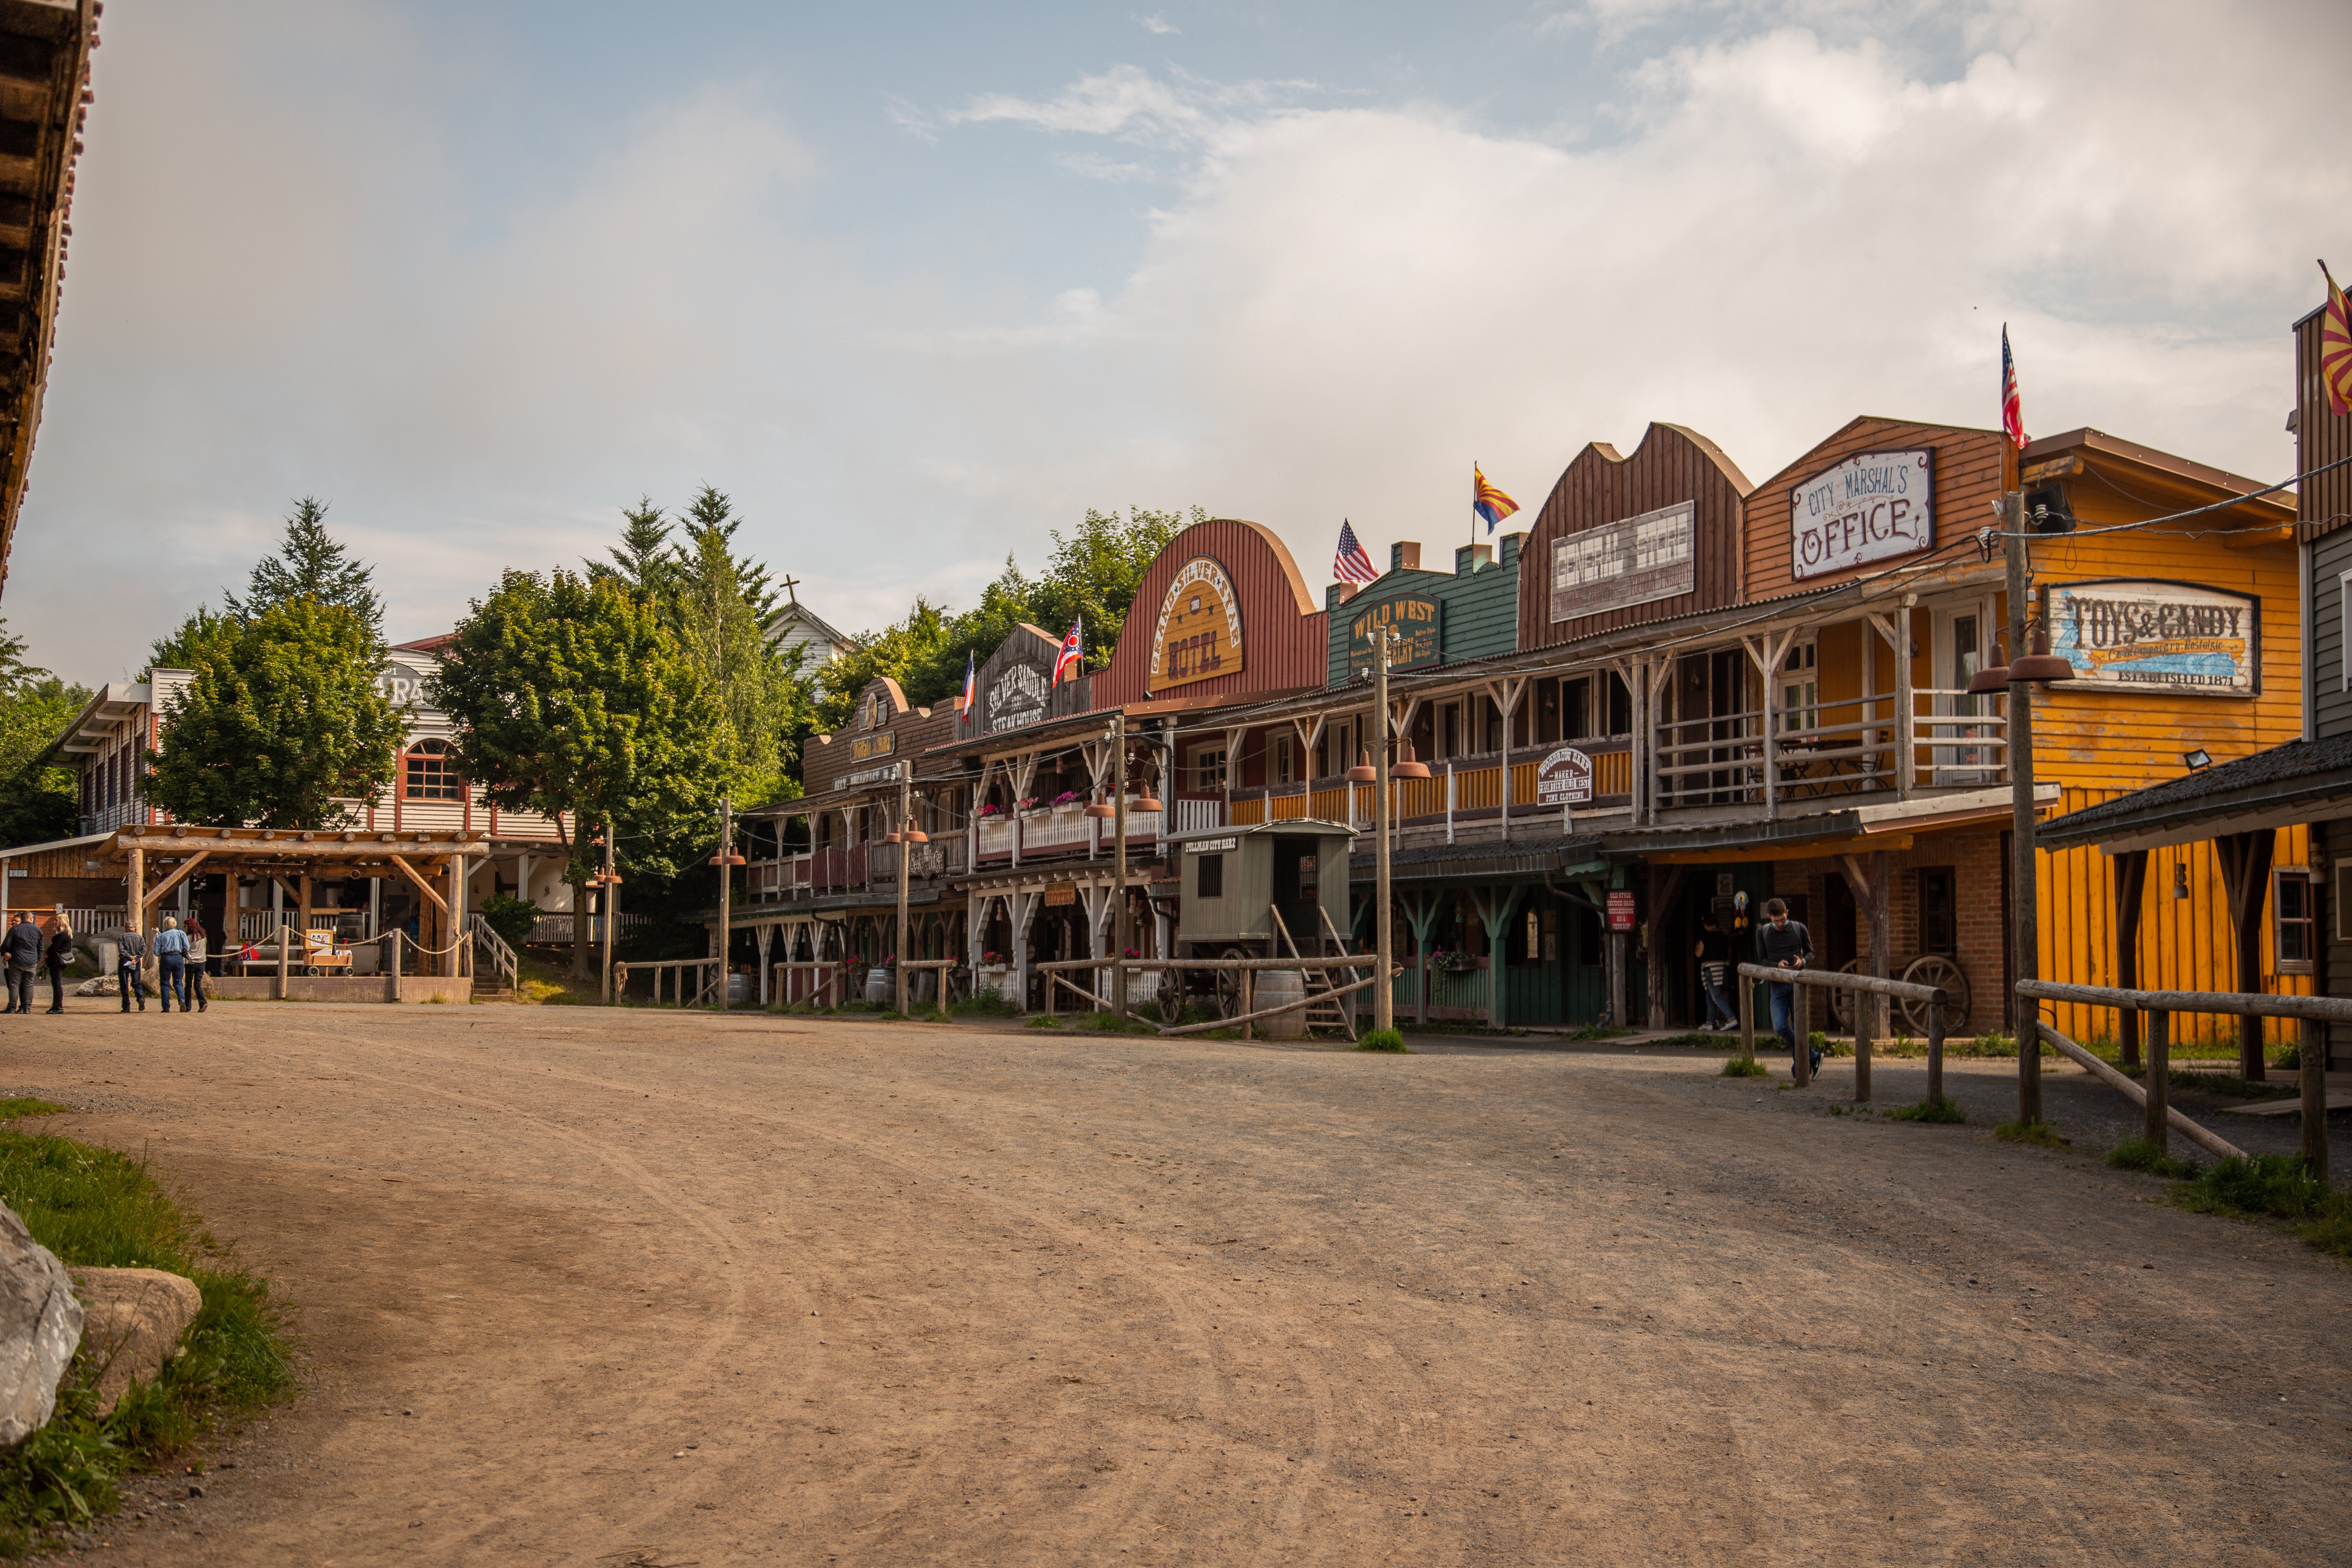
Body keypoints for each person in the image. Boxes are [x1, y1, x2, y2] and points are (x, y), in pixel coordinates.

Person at [1756, 897, 1818, 1076]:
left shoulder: (1799, 929)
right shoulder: (1763, 932)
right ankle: (1813, 1055)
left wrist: (1802, 961)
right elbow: (1763, 960)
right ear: (1769, 917)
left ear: (1787, 913)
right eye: (1776, 921)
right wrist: (1777, 965)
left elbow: (1811, 953)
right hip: (1777, 986)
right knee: (1780, 1027)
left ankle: (1799, 1069)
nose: (1780, 924)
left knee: (1800, 1027)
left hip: (1797, 985)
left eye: (1782, 920)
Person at [1694, 911, 1735, 1032]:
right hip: (1722, 969)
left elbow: (1699, 954)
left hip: (1710, 970)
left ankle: (1731, 1019)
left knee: (1717, 997)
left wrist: (1696, 947)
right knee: (1710, 996)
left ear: (1709, 925)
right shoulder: (1723, 937)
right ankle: (1709, 1023)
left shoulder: (1705, 937)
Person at [3, 911, 40, 1014]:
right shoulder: (38, 930)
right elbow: (40, 948)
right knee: (28, 986)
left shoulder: (15, 930)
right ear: (31, 919)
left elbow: (6, 946)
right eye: (13, 920)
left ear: (22, 920)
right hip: (31, 962)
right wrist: (36, 959)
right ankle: (27, 1008)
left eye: (17, 921)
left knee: (15, 985)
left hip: (17, 961)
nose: (14, 922)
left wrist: (6, 953)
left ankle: (13, 1007)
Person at [153, 916, 190, 1014]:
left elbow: (156, 952)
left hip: (166, 958)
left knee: (165, 984)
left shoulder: (161, 936)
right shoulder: (181, 933)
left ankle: (166, 1007)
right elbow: (187, 947)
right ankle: (182, 1000)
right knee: (178, 982)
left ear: (165, 925)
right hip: (178, 957)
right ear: (175, 924)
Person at [116, 923, 149, 1012]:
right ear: (135, 928)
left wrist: (129, 957)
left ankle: (126, 1007)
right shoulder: (140, 938)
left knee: (124, 984)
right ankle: (140, 998)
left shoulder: (122, 937)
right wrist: (136, 958)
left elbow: (121, 950)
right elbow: (144, 950)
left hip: (125, 961)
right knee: (136, 982)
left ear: (126, 928)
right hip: (136, 962)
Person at [43, 922, 75, 1014]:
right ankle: (55, 1006)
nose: (54, 922)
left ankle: (59, 1007)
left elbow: (54, 948)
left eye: (57, 920)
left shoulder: (63, 934)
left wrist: (46, 956)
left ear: (62, 921)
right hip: (58, 961)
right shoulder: (65, 933)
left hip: (57, 962)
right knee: (56, 984)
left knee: (57, 984)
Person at [183, 916, 210, 1014]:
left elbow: (185, 950)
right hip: (201, 963)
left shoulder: (189, 938)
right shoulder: (203, 938)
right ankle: (203, 1003)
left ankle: (188, 1006)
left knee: (188, 985)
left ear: (190, 927)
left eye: (185, 926)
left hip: (191, 963)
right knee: (197, 985)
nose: (184, 928)